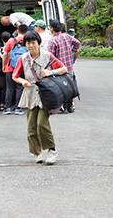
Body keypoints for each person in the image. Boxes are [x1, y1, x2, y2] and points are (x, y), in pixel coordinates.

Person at [12, 31, 68, 165]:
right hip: (30, 94)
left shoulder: (47, 56)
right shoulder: (23, 58)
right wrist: (22, 82)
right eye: (28, 43)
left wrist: (51, 72)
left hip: (45, 95)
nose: (31, 45)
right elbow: (15, 75)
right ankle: (37, 152)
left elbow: (64, 68)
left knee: (41, 123)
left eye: (33, 43)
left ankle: (52, 150)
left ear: (38, 43)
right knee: (31, 127)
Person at [47, 19, 81, 114]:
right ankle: (69, 107)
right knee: (69, 87)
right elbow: (78, 43)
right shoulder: (66, 36)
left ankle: (63, 108)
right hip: (69, 67)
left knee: (61, 88)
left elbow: (50, 56)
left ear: (52, 29)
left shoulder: (53, 40)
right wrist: (72, 51)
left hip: (59, 69)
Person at [1, 24, 28, 115]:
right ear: (27, 31)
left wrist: (4, 65)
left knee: (9, 88)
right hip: (22, 68)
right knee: (19, 87)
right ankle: (18, 108)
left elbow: (5, 54)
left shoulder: (11, 40)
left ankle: (7, 107)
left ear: (17, 30)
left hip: (10, 67)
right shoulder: (27, 40)